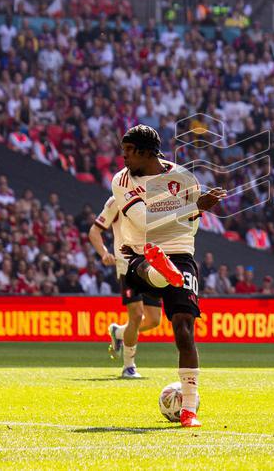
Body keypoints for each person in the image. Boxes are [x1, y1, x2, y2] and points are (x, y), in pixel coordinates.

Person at [108, 125, 225, 428]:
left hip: (180, 253)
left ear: (148, 152)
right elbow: (143, 221)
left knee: (184, 330)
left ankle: (189, 409)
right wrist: (191, 208)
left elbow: (193, 221)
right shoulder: (121, 181)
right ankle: (162, 271)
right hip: (138, 252)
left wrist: (192, 210)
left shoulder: (183, 178)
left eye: (130, 151)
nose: (124, 157)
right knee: (147, 270)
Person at [88, 196, 162, 378]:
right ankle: (129, 367)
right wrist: (104, 253)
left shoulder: (156, 201)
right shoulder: (117, 200)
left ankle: (118, 332)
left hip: (151, 266)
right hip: (127, 265)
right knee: (136, 316)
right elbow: (94, 231)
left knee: (153, 320)